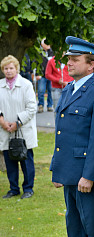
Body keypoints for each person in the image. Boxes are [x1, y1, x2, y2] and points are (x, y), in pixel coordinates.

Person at [50, 36, 94, 236]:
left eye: (75, 59)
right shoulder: (69, 89)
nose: (68, 62)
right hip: (70, 173)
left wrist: (89, 176)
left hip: (88, 176)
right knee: (75, 229)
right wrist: (57, 169)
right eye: (69, 58)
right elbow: (62, 133)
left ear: (91, 65)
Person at [0, 55, 37, 199]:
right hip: (5, 130)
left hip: (23, 129)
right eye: (5, 68)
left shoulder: (26, 85)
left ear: (17, 69)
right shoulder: (0, 85)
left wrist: (17, 123)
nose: (8, 71)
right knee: (10, 162)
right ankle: (13, 189)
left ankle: (28, 188)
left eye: (11, 68)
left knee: (26, 160)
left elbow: (32, 108)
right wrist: (2, 121)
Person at [37, 38, 54, 113]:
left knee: (51, 90)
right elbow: (36, 63)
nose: (47, 45)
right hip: (42, 75)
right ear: (42, 44)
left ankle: (50, 106)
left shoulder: (53, 52)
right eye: (45, 43)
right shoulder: (39, 53)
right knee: (41, 90)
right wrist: (37, 74)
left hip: (51, 75)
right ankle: (40, 105)